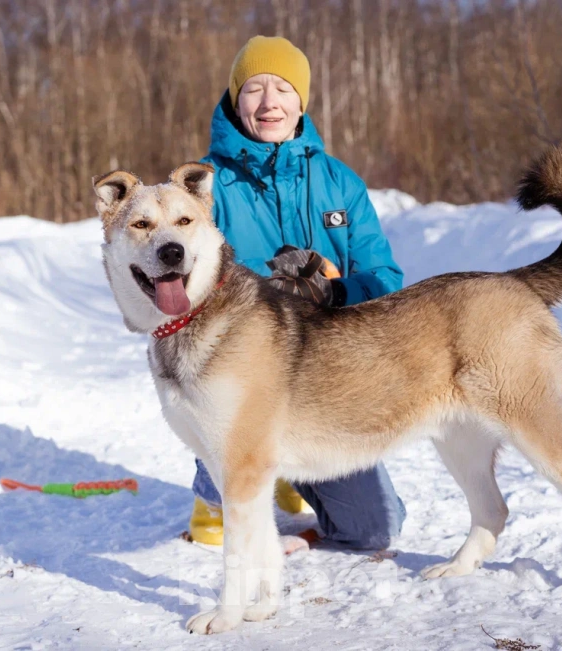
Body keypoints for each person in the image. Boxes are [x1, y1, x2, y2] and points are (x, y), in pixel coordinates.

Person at [188, 35, 406, 550]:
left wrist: (334, 291)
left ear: (301, 100)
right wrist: (261, 294)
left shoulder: (340, 182)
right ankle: (212, 490)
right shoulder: (207, 185)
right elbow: (186, 293)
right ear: (236, 99)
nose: (269, 104)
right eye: (255, 89)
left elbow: (385, 279)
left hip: (326, 384)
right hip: (242, 376)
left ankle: (285, 475)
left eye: (283, 88)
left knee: (378, 529)